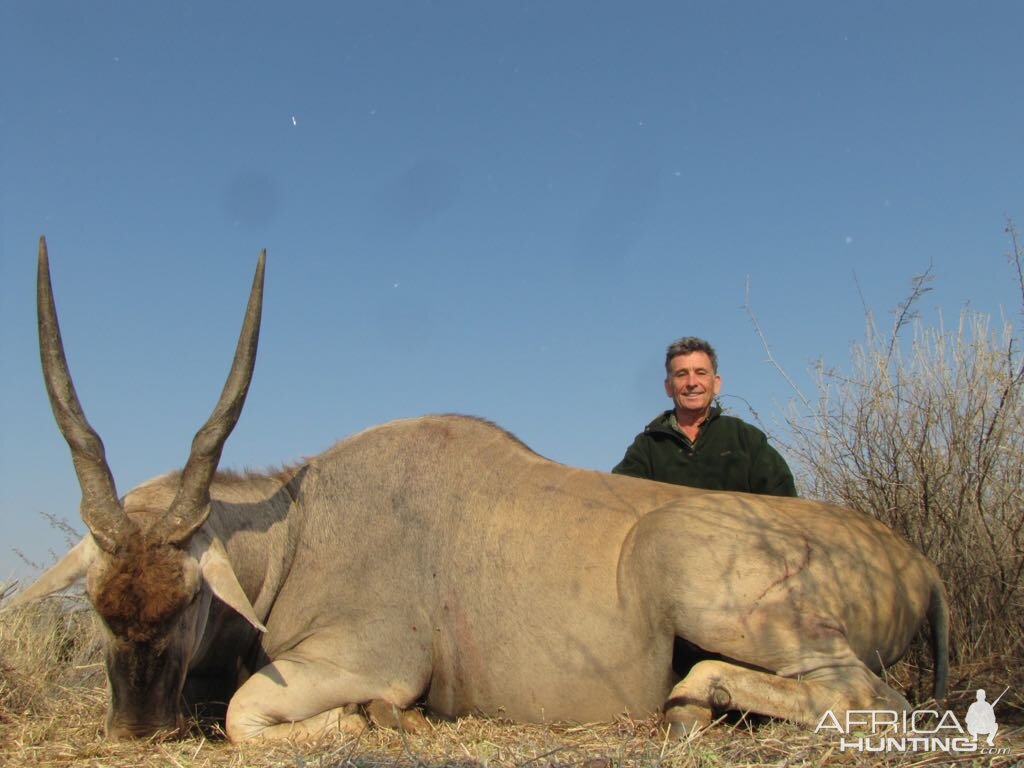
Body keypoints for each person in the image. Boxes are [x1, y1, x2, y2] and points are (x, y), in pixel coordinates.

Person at [612, 336, 797, 496]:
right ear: (668, 387)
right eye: (682, 374)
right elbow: (618, 499)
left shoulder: (746, 439)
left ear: (716, 383)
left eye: (700, 373)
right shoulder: (646, 447)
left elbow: (785, 505)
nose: (692, 383)